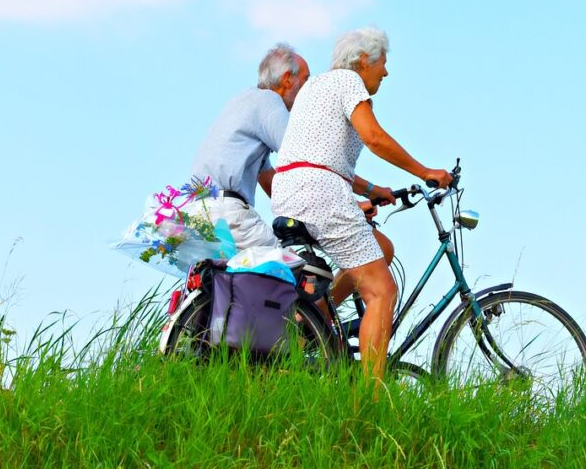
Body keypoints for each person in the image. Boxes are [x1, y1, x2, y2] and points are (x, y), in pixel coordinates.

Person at [271, 27, 452, 380]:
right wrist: (425, 171)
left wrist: (370, 190)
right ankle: (368, 401)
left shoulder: (316, 87)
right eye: (383, 63)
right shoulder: (349, 81)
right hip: (320, 192)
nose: (385, 72)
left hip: (291, 190)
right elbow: (374, 137)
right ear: (364, 60)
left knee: (380, 248)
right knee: (382, 291)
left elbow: (318, 154)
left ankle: (316, 322)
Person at [184, 44, 310, 249]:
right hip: (227, 213)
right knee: (293, 269)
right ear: (288, 79)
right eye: (306, 80)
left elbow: (269, 179)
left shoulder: (244, 100)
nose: (308, 89)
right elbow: (303, 157)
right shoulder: (269, 101)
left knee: (232, 278)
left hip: (197, 213)